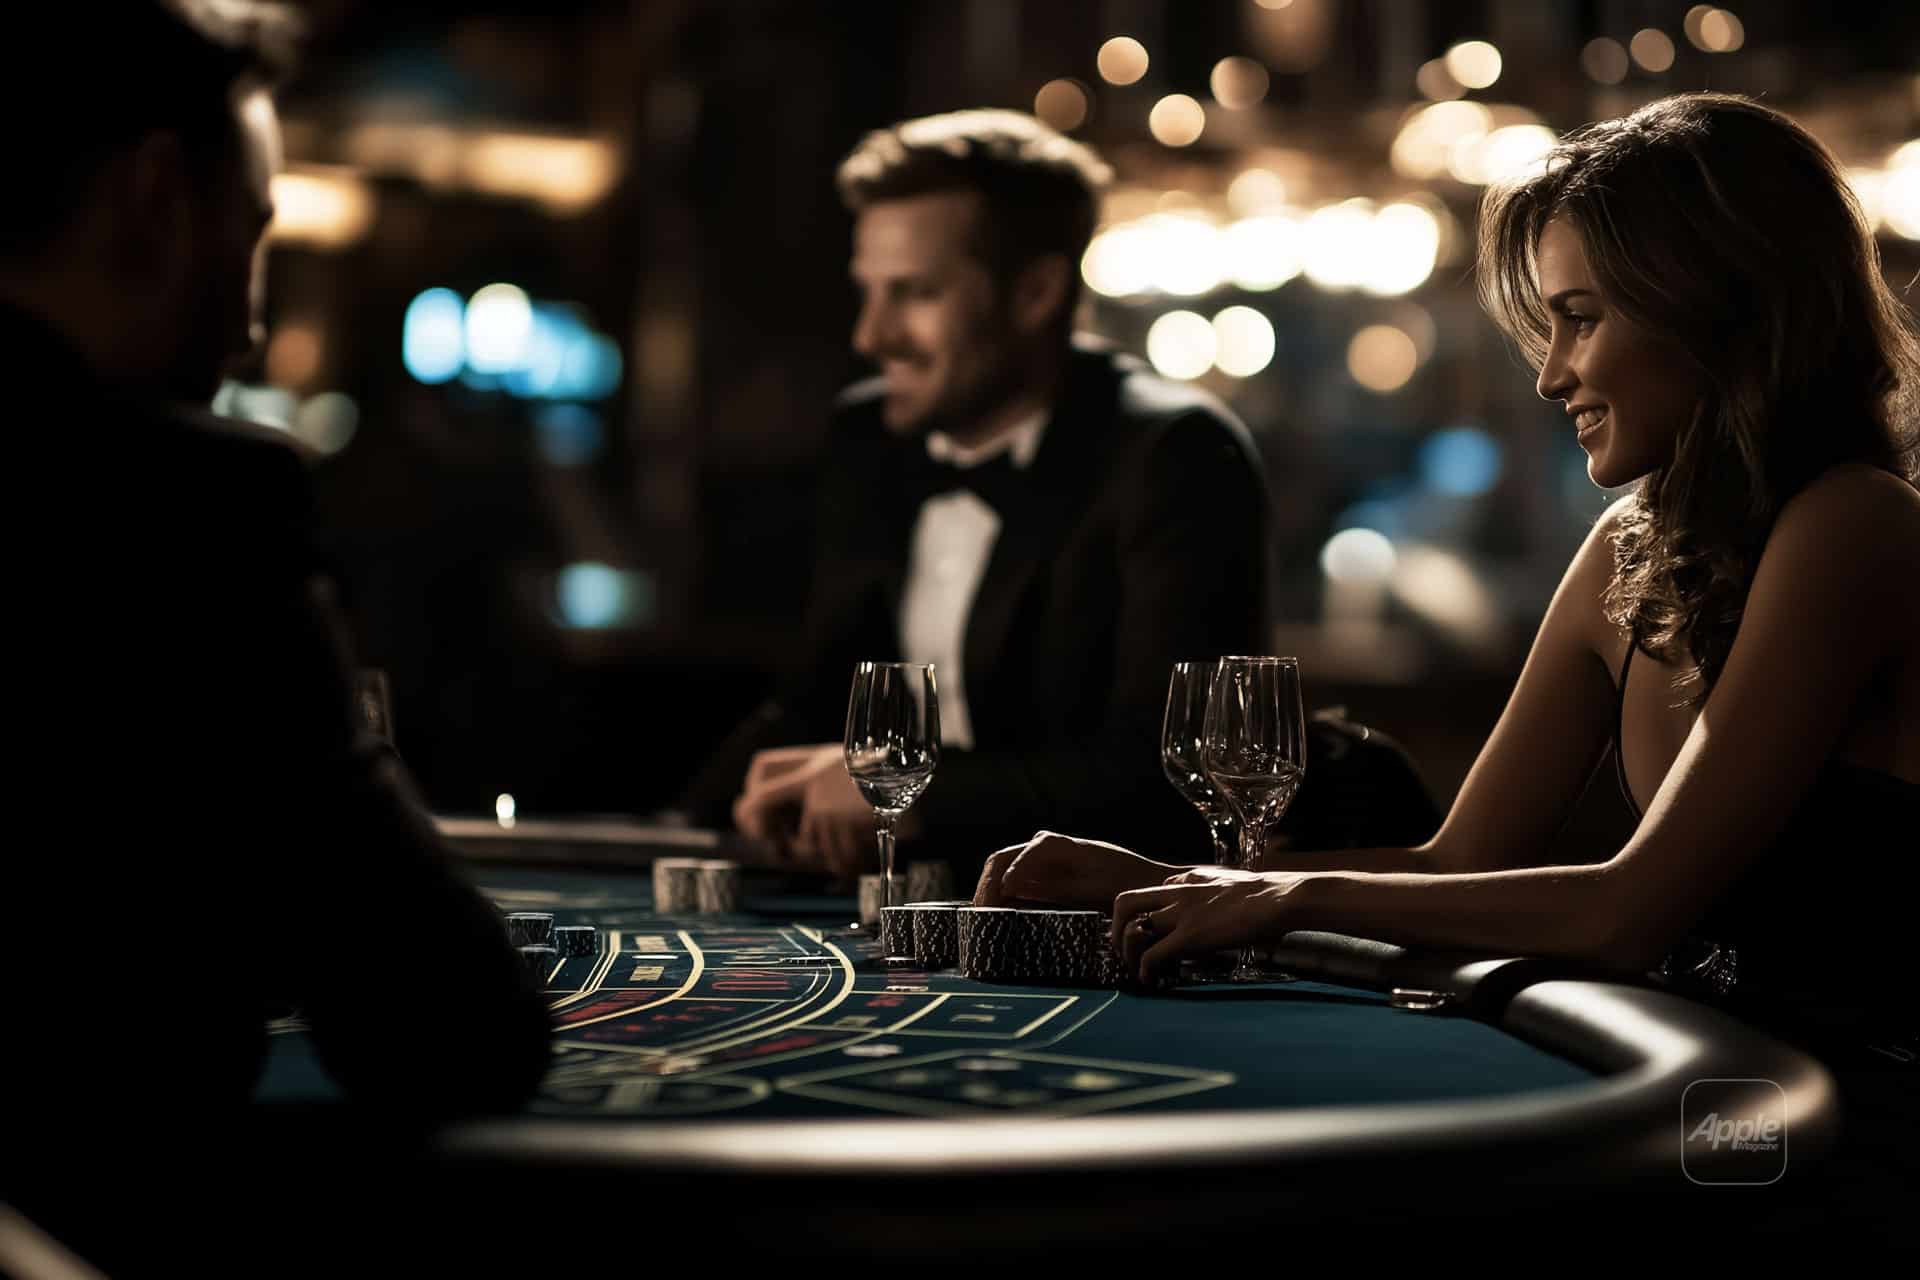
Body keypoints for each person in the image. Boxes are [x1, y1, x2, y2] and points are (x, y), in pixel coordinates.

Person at [976, 92, 1918, 1212]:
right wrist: (1178, 881)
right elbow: (1452, 862)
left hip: (1854, 1130)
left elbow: (1627, 911)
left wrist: (1278, 896)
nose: (1550, 373)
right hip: (1700, 1092)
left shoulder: (1857, 523)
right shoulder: (1629, 544)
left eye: (1582, 317)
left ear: (1718, 309)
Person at [2, 2, 552, 1263]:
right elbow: (455, 1026)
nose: (249, 322)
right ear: (153, 195)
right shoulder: (179, 499)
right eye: (250, 236)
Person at [694, 109, 1274, 878]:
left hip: (1099, 926)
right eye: (868, 291)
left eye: (914, 293)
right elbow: (817, 691)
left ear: (1035, 292)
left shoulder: (1176, 454)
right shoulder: (871, 433)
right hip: (896, 906)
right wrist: (673, 822)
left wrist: (912, 791)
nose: (871, 335)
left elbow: (1172, 779)